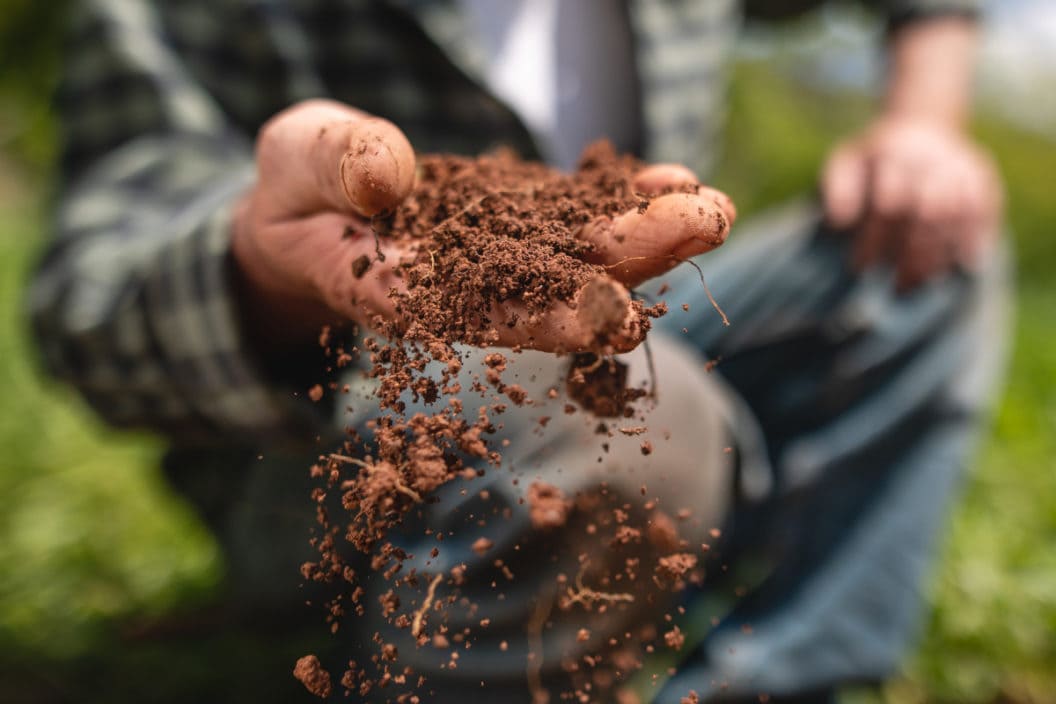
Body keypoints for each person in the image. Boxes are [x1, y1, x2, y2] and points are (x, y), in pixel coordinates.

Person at [28, 0, 1007, 702]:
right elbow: (86, 295)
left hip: (643, 318)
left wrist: (923, 122)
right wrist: (264, 259)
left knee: (922, 252)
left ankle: (772, 675)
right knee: (626, 414)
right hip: (350, 414)